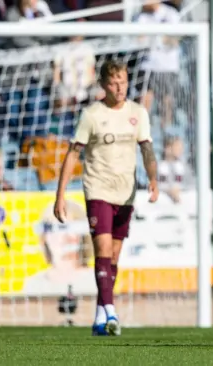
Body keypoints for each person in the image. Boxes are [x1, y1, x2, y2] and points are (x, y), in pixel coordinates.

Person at [53, 60, 159, 337]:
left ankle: (100, 316)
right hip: (97, 189)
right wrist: (60, 195)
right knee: (101, 250)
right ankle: (111, 311)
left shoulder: (138, 113)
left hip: (125, 192)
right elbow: (73, 153)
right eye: (113, 82)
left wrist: (154, 179)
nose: (119, 87)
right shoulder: (92, 114)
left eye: (123, 81)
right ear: (103, 85)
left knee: (113, 256)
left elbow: (147, 149)